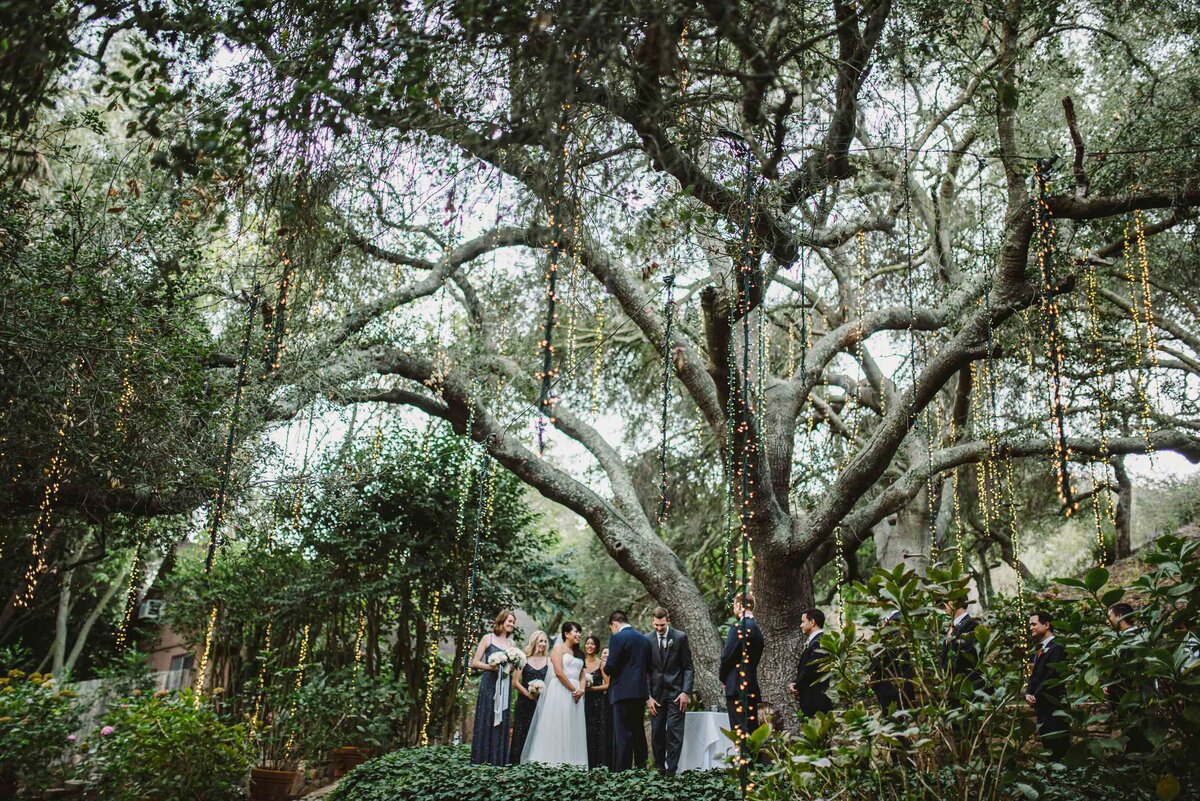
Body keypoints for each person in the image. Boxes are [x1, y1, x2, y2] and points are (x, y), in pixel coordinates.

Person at [521, 622, 588, 766]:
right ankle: (553, 761)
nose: (579, 635)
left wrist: (581, 690)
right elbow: (558, 672)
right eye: (576, 632)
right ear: (566, 634)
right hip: (561, 690)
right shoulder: (558, 649)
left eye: (579, 632)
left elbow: (582, 674)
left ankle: (574, 762)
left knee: (573, 727)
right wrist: (573, 690)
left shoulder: (579, 653)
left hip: (577, 694)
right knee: (559, 723)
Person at [646, 607, 694, 775]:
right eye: (656, 625)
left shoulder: (680, 637)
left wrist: (686, 692)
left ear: (668, 620)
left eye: (662, 625)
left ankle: (671, 771)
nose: (659, 629)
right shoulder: (647, 639)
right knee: (657, 733)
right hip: (656, 696)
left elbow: (688, 667)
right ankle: (659, 769)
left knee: (674, 733)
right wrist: (648, 697)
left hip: (676, 694)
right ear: (653, 622)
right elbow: (645, 671)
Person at [605, 610, 652, 771]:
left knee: (623, 733)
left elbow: (610, 666)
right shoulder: (644, 640)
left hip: (622, 692)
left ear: (615, 624)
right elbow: (648, 667)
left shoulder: (617, 638)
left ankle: (622, 772)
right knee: (638, 731)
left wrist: (606, 665)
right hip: (639, 692)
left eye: (612, 627)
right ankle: (641, 767)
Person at [469, 610, 516, 765]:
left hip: (504, 685)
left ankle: (498, 760)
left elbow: (512, 667)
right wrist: (493, 667)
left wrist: (511, 667)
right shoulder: (487, 638)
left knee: (502, 720)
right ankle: (481, 760)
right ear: (501, 620)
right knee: (486, 717)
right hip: (489, 683)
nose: (512, 624)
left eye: (513, 622)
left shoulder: (511, 644)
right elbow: (475, 663)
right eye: (509, 621)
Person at [1025, 610, 1070, 760]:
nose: (1030, 627)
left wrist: (1035, 695)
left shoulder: (1057, 647)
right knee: (1047, 743)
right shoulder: (1038, 649)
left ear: (1046, 625)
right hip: (1042, 706)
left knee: (1058, 744)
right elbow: (1035, 676)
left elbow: (1052, 675)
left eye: (1034, 624)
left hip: (1054, 703)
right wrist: (1027, 693)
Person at [719, 592, 764, 742]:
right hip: (751, 684)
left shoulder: (739, 628)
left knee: (739, 731)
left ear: (739, 606)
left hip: (736, 686)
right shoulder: (757, 630)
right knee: (752, 729)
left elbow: (727, 657)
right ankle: (754, 764)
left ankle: (744, 764)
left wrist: (723, 678)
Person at [509, 629, 550, 765]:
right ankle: (517, 763)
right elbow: (515, 682)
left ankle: (536, 762)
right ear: (534, 642)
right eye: (540, 641)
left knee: (539, 732)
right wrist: (529, 695)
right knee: (522, 731)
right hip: (525, 702)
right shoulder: (524, 659)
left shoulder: (549, 661)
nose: (543, 644)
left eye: (545, 641)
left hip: (542, 704)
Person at [870, 609, 915, 714]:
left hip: (895, 680)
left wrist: (873, 669)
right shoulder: (891, 619)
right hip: (889, 681)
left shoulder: (898, 619)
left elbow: (891, 650)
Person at [790, 608, 832, 718]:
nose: (800, 625)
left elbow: (811, 669)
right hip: (812, 697)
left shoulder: (819, 642)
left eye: (803, 622)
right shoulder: (815, 641)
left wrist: (797, 686)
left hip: (816, 698)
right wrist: (796, 683)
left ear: (812, 622)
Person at [940, 598, 980, 699]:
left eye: (946, 602)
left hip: (964, 687)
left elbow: (966, 655)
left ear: (954, 602)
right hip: (950, 687)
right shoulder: (950, 626)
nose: (943, 606)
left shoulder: (971, 625)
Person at [582, 635, 612, 769]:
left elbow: (608, 685)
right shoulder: (580, 662)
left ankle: (598, 764)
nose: (589, 646)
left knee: (597, 733)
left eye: (592, 644)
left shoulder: (601, 664)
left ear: (597, 647)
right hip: (582, 702)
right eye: (587, 644)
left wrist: (592, 688)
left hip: (597, 703)